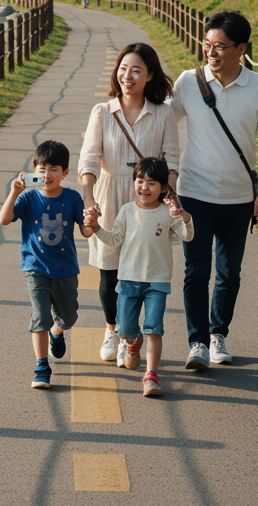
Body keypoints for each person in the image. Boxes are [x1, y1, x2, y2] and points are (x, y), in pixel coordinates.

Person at [170, 10, 258, 370]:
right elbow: (163, 120)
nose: (211, 52)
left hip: (238, 198)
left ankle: (218, 334)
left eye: (220, 46)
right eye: (207, 44)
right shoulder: (189, 82)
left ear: (241, 49)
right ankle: (198, 342)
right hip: (193, 194)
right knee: (195, 271)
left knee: (229, 272)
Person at [77, 43, 178, 363]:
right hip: (109, 194)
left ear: (150, 75)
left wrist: (168, 197)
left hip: (147, 198)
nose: (127, 76)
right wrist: (89, 196)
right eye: (123, 69)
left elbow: (172, 160)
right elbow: (89, 159)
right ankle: (113, 330)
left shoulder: (163, 113)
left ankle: (130, 335)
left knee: (140, 269)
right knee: (109, 270)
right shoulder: (102, 111)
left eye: (136, 70)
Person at [84, 157, 192, 397]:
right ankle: (133, 342)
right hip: (128, 280)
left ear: (163, 188)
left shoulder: (168, 212)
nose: (144, 187)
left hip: (157, 282)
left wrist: (182, 215)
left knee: (154, 329)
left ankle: (151, 376)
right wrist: (97, 228)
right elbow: (114, 239)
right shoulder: (127, 210)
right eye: (140, 181)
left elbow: (187, 236)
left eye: (151, 183)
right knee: (124, 330)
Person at [0, 140, 93, 389]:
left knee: (68, 317)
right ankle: (42, 367)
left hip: (65, 269)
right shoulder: (28, 197)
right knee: (40, 317)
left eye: (53, 169)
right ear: (34, 171)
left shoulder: (72, 197)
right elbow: (4, 219)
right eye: (41, 169)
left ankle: (56, 332)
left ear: (65, 173)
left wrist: (92, 222)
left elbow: (85, 231)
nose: (46, 175)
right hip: (35, 268)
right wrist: (14, 192)